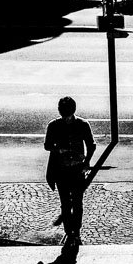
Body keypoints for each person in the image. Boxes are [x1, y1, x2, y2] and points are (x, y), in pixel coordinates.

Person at [44, 96, 96, 245]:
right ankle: (70, 232)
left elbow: (91, 145)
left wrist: (86, 162)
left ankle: (75, 232)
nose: (65, 118)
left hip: (76, 169)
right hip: (63, 170)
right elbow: (47, 145)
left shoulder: (60, 125)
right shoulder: (77, 124)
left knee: (76, 203)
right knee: (66, 203)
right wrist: (60, 149)